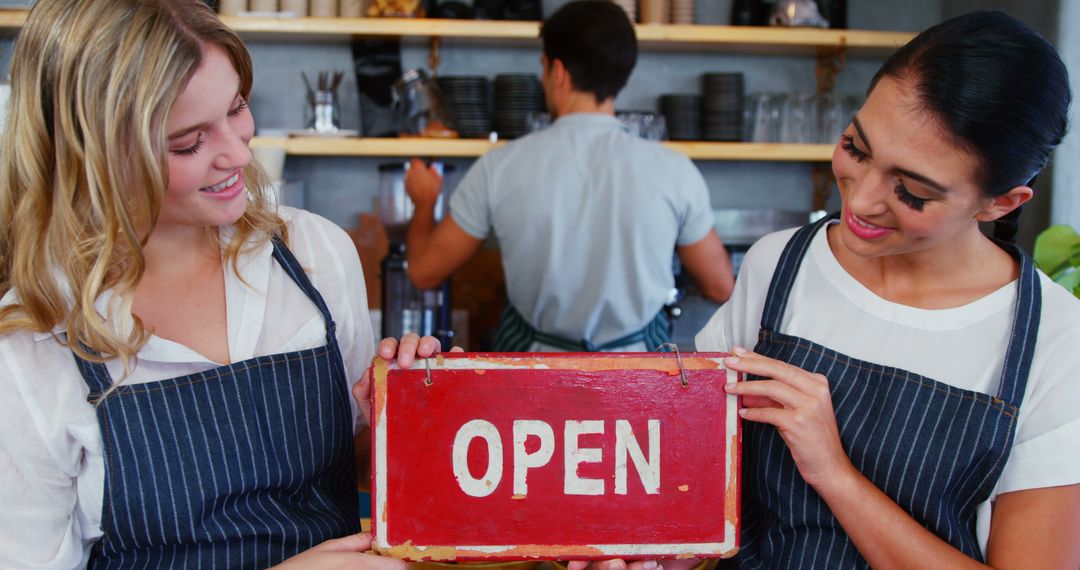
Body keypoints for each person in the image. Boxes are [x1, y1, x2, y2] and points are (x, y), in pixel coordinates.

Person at [0, 1, 406, 568]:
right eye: (188, 142)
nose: (240, 152)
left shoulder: (313, 254)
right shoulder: (31, 347)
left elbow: (361, 463)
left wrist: (416, 415)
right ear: (91, 156)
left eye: (238, 108)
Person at [696, 10, 1080, 568]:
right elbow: (693, 464)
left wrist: (834, 473)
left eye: (912, 192)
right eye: (856, 147)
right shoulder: (778, 264)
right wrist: (663, 547)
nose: (861, 200)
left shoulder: (1057, 344)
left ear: (1001, 202)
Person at [403, 0, 734, 352]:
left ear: (557, 71)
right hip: (640, 378)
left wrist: (424, 203)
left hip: (532, 381)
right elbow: (720, 286)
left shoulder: (499, 167)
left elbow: (425, 272)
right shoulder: (675, 170)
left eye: (543, 67)